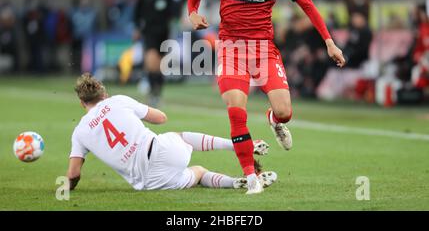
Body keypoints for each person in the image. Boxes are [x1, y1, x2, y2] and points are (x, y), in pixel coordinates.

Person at [187, 0, 346, 194]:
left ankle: (273, 120)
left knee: (285, 112)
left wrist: (330, 43)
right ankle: (251, 178)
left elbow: (306, 4)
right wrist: (193, 13)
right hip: (231, 49)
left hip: (263, 50)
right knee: (237, 113)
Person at [67, 73, 277, 192]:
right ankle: (236, 145)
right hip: (162, 151)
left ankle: (233, 182)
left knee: (199, 172)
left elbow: (74, 174)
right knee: (179, 136)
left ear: (81, 102)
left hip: (148, 182)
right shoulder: (118, 100)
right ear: (103, 93)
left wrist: (68, 187)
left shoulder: (79, 132)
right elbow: (161, 118)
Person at [133, 0, 182, 106]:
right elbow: (137, 12)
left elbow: (175, 12)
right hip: (148, 32)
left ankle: (157, 92)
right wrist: (136, 28)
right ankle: (152, 93)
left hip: (164, 32)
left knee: (158, 66)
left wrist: (177, 21)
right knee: (150, 60)